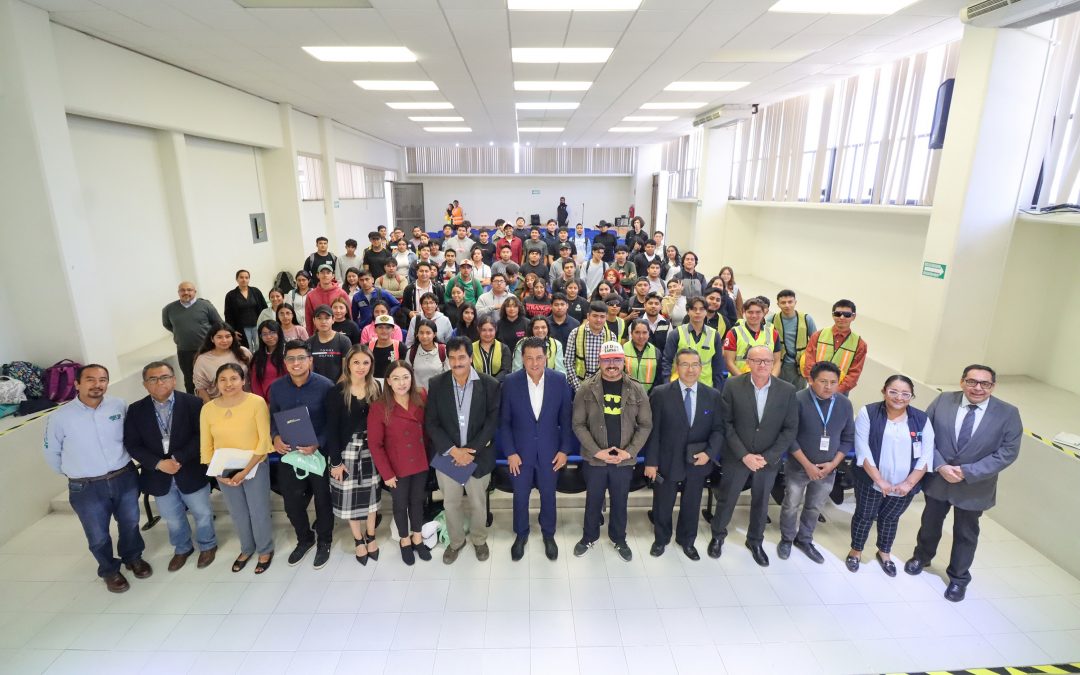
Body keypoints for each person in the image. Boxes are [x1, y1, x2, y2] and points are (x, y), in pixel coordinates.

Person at [904, 365, 1022, 602]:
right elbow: (925, 435)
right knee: (930, 523)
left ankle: (958, 578)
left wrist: (967, 472)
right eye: (971, 381)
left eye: (984, 384)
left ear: (993, 386)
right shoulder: (943, 401)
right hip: (939, 478)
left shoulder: (1008, 413)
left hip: (974, 486)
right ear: (962, 382)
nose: (977, 388)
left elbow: (1007, 452)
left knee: (966, 533)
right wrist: (940, 465)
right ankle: (922, 557)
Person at [44, 364, 151, 592]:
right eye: (90, 380)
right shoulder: (60, 417)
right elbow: (52, 453)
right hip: (86, 486)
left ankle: (133, 557)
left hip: (124, 477)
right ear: (77, 384)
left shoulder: (118, 405)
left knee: (130, 523)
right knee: (98, 534)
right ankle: (109, 570)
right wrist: (75, 472)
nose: (97, 384)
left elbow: (131, 437)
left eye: (102, 380)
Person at [709, 345, 798, 566]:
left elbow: (790, 429)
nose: (762, 365)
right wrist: (744, 455)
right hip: (737, 456)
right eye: (757, 360)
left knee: (761, 501)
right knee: (727, 498)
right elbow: (726, 423)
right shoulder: (732, 385)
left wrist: (768, 457)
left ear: (773, 363)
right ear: (747, 362)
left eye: (767, 361)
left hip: (768, 460)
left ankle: (755, 540)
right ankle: (718, 535)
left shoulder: (787, 390)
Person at [124, 362, 214, 572]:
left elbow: (202, 435)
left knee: (202, 512)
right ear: (145, 384)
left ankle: (208, 545)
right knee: (172, 517)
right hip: (158, 475)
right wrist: (158, 463)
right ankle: (182, 548)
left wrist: (178, 457)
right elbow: (132, 444)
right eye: (153, 379)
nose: (160, 382)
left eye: (164, 377)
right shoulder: (136, 410)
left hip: (189, 468)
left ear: (174, 380)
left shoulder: (193, 403)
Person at [844, 374, 933, 577]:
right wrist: (879, 480)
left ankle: (884, 553)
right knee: (864, 516)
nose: (899, 397)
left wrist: (909, 484)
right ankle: (856, 551)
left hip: (904, 485)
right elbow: (862, 449)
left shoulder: (921, 419)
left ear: (912, 396)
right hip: (870, 480)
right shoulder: (868, 412)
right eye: (893, 391)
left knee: (891, 518)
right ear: (884, 391)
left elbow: (927, 455)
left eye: (905, 394)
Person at [571, 341, 653, 561]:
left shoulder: (636, 389)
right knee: (593, 500)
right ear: (599, 361)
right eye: (607, 360)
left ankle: (619, 539)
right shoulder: (586, 388)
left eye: (616, 359)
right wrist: (597, 452)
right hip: (595, 459)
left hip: (623, 460)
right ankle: (589, 537)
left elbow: (645, 425)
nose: (612, 365)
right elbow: (578, 424)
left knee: (620, 501)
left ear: (623, 361)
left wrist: (629, 452)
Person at [425, 337, 501, 564]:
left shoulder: (489, 384)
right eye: (452, 358)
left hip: (478, 456)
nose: (457, 362)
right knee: (451, 503)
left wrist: (470, 451)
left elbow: (492, 422)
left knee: (478, 503)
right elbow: (431, 423)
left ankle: (479, 539)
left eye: (461, 357)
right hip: (448, 456)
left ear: (470, 357)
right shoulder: (437, 384)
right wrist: (453, 451)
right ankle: (456, 542)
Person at [499, 337, 575, 561]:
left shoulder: (559, 380)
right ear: (522, 359)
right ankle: (521, 534)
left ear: (547, 357)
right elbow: (504, 422)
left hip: (550, 452)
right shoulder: (510, 382)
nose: (534, 363)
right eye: (529, 358)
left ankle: (548, 534)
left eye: (539, 357)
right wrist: (510, 452)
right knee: (520, 496)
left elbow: (566, 420)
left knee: (549, 494)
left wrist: (564, 450)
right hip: (520, 453)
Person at [645, 348, 724, 560]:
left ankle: (687, 541)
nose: (690, 370)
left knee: (692, 503)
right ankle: (661, 539)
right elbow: (653, 431)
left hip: (698, 461)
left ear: (701, 367)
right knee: (663, 503)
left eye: (695, 365)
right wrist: (651, 462)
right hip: (667, 460)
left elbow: (718, 429)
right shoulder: (661, 394)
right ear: (676, 367)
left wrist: (709, 453)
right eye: (685, 365)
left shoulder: (713, 395)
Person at [200, 363, 275, 575]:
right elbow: (206, 445)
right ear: (216, 384)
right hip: (223, 468)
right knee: (237, 512)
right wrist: (216, 472)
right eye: (222, 379)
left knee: (258, 510)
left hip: (255, 465)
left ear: (243, 380)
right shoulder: (208, 409)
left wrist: (245, 470)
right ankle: (246, 548)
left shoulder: (256, 402)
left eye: (234, 378)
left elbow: (264, 440)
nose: (228, 384)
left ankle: (264, 549)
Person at [269, 340, 337, 570]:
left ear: (310, 360)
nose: (296, 363)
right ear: (285, 362)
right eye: (291, 359)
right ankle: (305, 538)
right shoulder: (277, 388)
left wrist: (319, 442)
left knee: (322, 499)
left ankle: (324, 541)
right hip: (289, 454)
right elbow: (273, 416)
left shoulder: (326, 386)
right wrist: (275, 437)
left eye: (301, 358)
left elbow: (333, 421)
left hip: (317, 453)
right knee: (292, 502)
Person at [778, 362, 854, 565]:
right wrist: (807, 465)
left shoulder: (844, 404)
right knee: (791, 505)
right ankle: (787, 538)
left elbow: (847, 438)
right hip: (798, 466)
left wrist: (832, 465)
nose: (828, 387)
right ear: (811, 380)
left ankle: (804, 539)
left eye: (833, 382)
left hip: (827, 469)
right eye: (823, 382)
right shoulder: (797, 399)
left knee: (814, 507)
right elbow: (789, 437)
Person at [369, 361, 431, 565]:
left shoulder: (421, 396)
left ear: (412, 378)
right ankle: (405, 540)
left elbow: (428, 428)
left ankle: (417, 537)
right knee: (400, 504)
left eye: (405, 377)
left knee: (417, 501)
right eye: (396, 378)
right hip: (396, 466)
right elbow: (375, 444)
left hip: (420, 460)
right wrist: (386, 473)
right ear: (388, 381)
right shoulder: (379, 406)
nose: (401, 383)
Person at [326, 344, 382, 566]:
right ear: (348, 364)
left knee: (371, 496)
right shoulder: (337, 391)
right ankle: (358, 539)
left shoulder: (376, 387)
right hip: (347, 450)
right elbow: (331, 429)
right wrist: (335, 462)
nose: (361, 367)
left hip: (372, 449)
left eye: (366, 362)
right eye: (356, 362)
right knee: (349, 498)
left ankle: (371, 535)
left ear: (371, 365)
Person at [163, 281, 223, 395]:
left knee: (213, 376)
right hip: (184, 351)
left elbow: (218, 324)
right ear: (178, 292)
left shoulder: (206, 306)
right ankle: (193, 402)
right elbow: (168, 325)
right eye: (182, 290)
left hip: (207, 349)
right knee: (189, 379)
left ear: (195, 292)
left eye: (189, 290)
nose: (186, 292)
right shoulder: (169, 309)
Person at [802, 299, 868, 395]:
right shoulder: (818, 335)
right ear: (833, 315)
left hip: (839, 392)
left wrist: (835, 390)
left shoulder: (860, 344)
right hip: (815, 387)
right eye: (838, 314)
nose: (841, 317)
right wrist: (814, 383)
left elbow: (854, 373)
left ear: (853, 317)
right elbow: (809, 361)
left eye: (847, 315)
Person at [661, 297, 724, 387]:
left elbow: (718, 366)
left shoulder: (714, 335)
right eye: (694, 309)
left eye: (701, 309)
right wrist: (667, 385)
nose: (698, 312)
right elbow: (667, 362)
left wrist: (717, 390)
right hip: (680, 386)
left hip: (706, 387)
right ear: (688, 311)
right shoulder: (676, 334)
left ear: (706, 312)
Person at [192, 322, 252, 402]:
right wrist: (210, 406)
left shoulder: (244, 352)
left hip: (246, 400)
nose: (224, 340)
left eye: (228, 336)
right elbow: (201, 389)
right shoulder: (203, 360)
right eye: (219, 337)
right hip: (219, 403)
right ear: (212, 339)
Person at [722, 297, 781, 378]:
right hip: (739, 380)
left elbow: (777, 362)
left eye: (758, 312)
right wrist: (744, 381)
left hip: (766, 380)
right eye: (750, 312)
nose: (754, 315)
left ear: (764, 313)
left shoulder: (773, 333)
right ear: (744, 312)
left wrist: (772, 380)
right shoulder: (734, 333)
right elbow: (729, 362)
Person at [565, 301, 616, 392]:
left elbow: (613, 365)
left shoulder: (612, 337)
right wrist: (579, 388)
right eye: (595, 316)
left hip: (602, 387)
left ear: (606, 317)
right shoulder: (575, 334)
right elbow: (568, 362)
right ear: (588, 316)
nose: (598, 320)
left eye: (602, 317)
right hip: (578, 385)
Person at [771, 289, 816, 390]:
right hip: (780, 365)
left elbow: (815, 343)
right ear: (778, 304)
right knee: (779, 392)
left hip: (801, 366)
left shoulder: (806, 319)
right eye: (783, 302)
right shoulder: (772, 320)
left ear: (795, 302)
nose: (787, 305)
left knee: (798, 394)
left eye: (790, 302)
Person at [307, 305, 353, 382]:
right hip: (316, 385)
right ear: (314, 321)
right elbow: (309, 371)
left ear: (333, 319)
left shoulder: (344, 341)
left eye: (327, 318)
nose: (323, 321)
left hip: (339, 386)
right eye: (319, 318)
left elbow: (346, 371)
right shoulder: (309, 342)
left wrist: (336, 387)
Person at [224, 269, 267, 349]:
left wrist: (266, 324)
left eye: (246, 277)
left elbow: (264, 308)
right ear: (237, 279)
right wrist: (232, 331)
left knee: (260, 347)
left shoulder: (256, 291)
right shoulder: (230, 295)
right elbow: (228, 315)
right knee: (247, 348)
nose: (244, 280)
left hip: (257, 326)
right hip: (242, 328)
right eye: (241, 277)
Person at [305, 263, 350, 336]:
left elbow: (349, 315)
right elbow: (309, 318)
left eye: (328, 273)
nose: (325, 275)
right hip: (319, 335)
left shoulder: (342, 293)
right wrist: (310, 336)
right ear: (317, 275)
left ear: (333, 275)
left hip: (340, 334)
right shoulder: (311, 295)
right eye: (322, 273)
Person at [248, 320, 285, 401]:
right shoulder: (258, 356)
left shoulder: (288, 353)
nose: (269, 337)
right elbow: (255, 382)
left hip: (289, 398)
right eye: (264, 334)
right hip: (267, 401)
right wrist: (263, 402)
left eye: (272, 332)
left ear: (279, 333)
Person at [400, 261, 444, 329]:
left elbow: (443, 304)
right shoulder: (409, 288)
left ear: (430, 273)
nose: (424, 274)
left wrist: (436, 309)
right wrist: (409, 312)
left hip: (434, 322)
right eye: (421, 271)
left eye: (426, 271)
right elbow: (403, 307)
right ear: (417, 272)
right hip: (416, 322)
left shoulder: (437, 288)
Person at [407, 318, 448, 390]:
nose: (424, 336)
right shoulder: (411, 352)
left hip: (438, 393)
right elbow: (407, 375)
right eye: (421, 333)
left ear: (434, 334)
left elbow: (448, 375)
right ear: (417, 334)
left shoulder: (443, 350)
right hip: (417, 394)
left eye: (428, 333)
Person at [623, 319, 660, 393]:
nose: (641, 336)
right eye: (637, 332)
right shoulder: (623, 349)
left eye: (644, 332)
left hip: (649, 394)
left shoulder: (656, 352)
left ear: (649, 334)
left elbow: (659, 378)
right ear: (631, 333)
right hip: (626, 393)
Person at [473, 316, 512, 381]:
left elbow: (506, 370)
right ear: (478, 330)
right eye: (484, 330)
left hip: (499, 385)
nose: (487, 334)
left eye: (491, 330)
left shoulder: (504, 348)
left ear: (495, 329)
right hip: (477, 385)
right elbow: (469, 370)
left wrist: (492, 383)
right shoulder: (471, 348)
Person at [369, 314, 404, 379]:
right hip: (372, 382)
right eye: (380, 327)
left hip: (393, 382)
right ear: (375, 330)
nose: (384, 331)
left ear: (393, 330)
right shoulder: (368, 347)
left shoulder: (400, 347)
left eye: (388, 328)